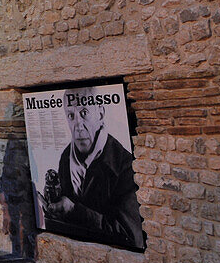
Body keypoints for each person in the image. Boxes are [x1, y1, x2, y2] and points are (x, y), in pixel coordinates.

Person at [44, 92, 146, 249]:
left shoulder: (123, 165)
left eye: (84, 113)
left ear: (100, 113)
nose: (78, 125)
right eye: (71, 115)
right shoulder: (66, 157)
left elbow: (131, 236)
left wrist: (73, 210)